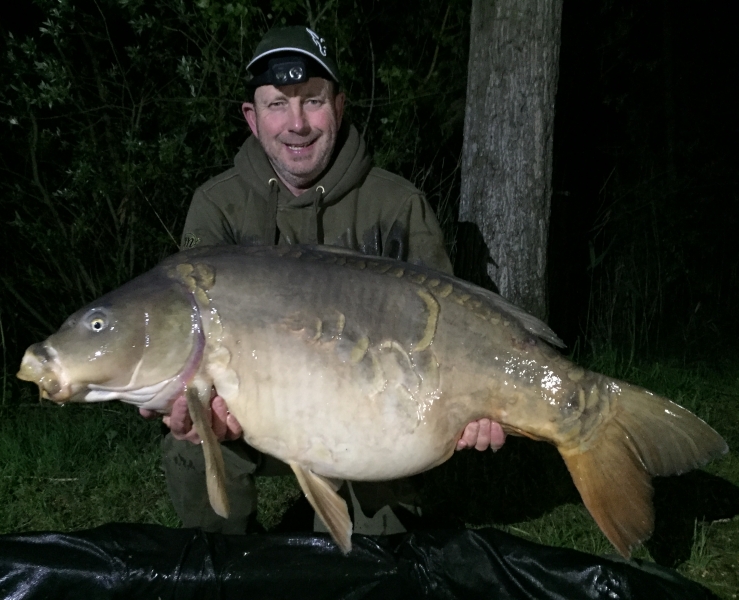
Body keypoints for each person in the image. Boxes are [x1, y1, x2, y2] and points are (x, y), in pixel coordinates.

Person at [141, 26, 505, 534]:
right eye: (276, 106)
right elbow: (191, 327)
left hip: (376, 415)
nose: (297, 125)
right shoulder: (217, 206)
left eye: (312, 102)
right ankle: (228, 565)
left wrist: (473, 409)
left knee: (384, 540)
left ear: (338, 106)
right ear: (252, 118)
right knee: (189, 443)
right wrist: (191, 408)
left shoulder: (397, 204)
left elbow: (446, 337)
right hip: (258, 410)